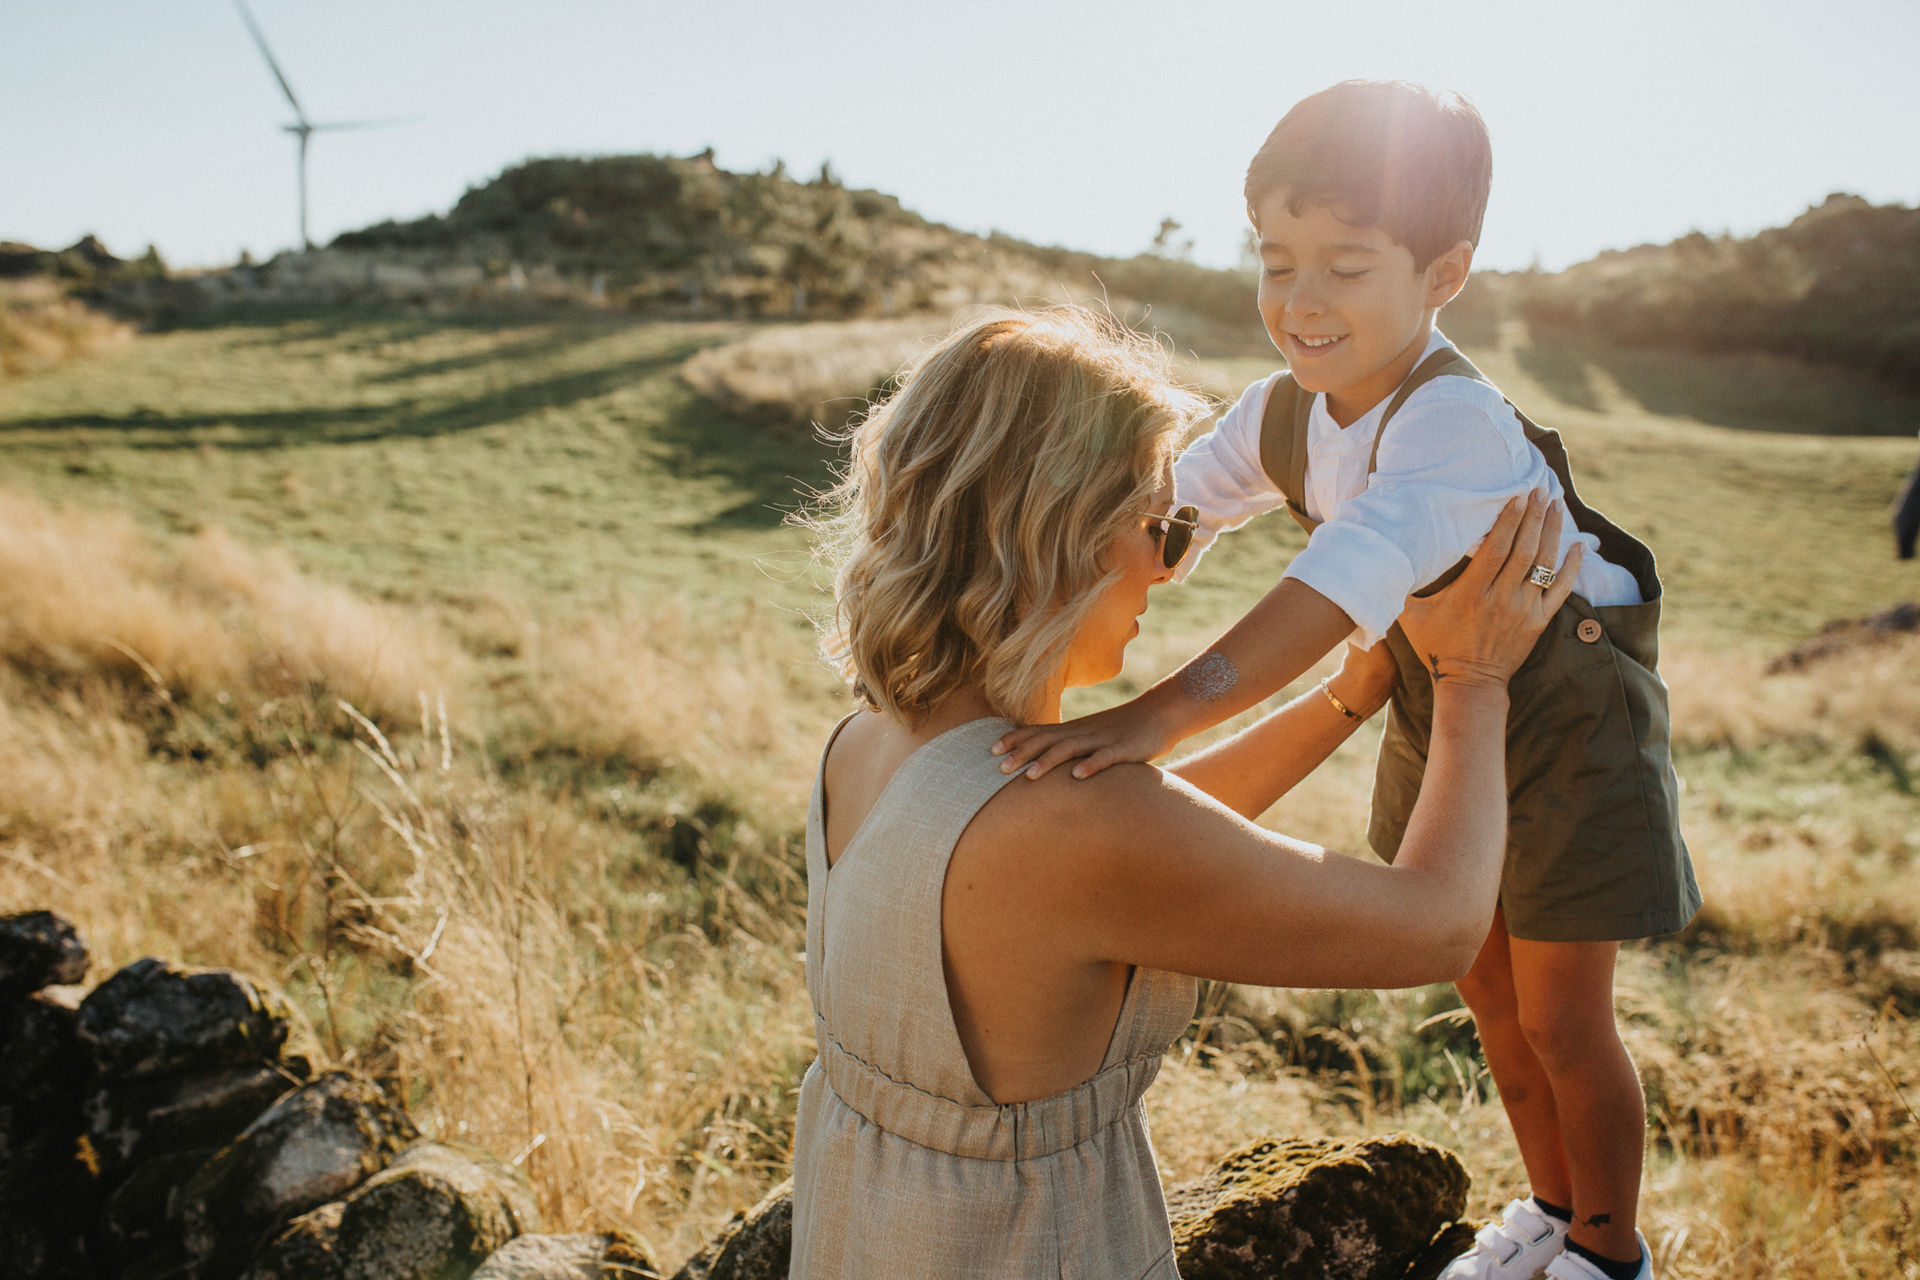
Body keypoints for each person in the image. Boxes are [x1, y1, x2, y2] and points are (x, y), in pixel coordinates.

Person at [992, 84, 1699, 1280]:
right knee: (1482, 987)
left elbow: (1339, 584)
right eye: (1277, 262)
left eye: (1347, 266)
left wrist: (1160, 710)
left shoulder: (1457, 427)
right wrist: (1058, 578)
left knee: (1563, 1017)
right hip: (1444, 698)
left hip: (1572, 720)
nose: (1301, 301)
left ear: (1443, 274)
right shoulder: (1285, 412)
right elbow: (1174, 510)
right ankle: (1548, 1203)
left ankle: (1606, 1250)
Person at [790, 306, 1578, 1279]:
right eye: (1156, 523)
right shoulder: (1081, 829)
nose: (1168, 564)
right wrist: (1473, 679)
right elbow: (1440, 925)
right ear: (1063, 537)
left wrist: (1341, 697)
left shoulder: (866, 742)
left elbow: (1123, 857)